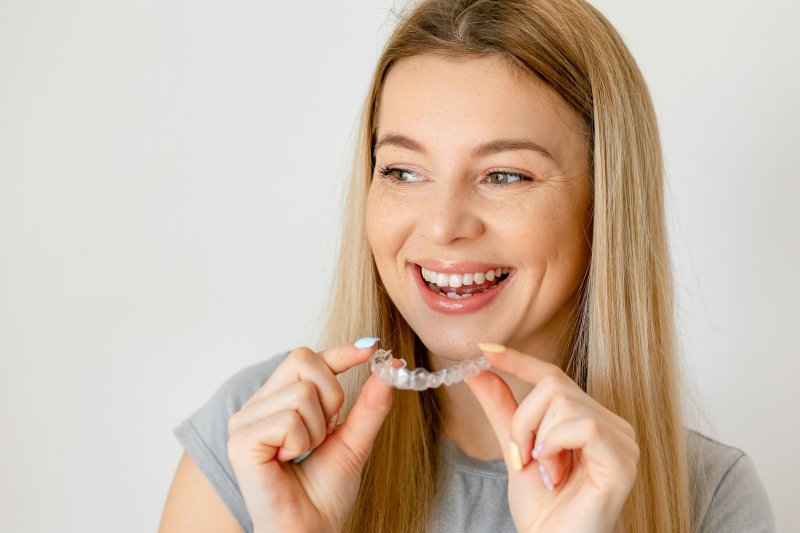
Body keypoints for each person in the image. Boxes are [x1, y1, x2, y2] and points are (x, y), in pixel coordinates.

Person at [158, 0, 776, 531]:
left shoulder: (709, 500)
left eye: (504, 174)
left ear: (604, 204)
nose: (442, 224)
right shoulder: (258, 442)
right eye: (403, 171)